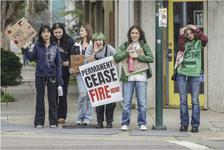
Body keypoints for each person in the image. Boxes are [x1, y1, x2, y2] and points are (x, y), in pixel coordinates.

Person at [113, 25, 154, 131]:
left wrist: (138, 56)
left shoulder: (144, 45)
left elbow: (151, 58)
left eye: (136, 33)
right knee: (126, 102)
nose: (134, 35)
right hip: (128, 78)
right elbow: (116, 58)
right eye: (132, 33)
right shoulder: (125, 45)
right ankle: (125, 123)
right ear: (129, 35)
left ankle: (142, 123)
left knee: (142, 102)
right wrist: (126, 52)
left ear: (140, 34)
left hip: (141, 77)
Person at [25, 25, 63, 128]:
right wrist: (25, 49)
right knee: (39, 99)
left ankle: (53, 122)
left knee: (53, 100)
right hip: (40, 75)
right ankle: (39, 122)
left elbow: (59, 64)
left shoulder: (55, 46)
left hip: (52, 75)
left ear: (50, 34)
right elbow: (31, 58)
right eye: (43, 32)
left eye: (48, 32)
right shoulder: (37, 45)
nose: (46, 34)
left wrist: (60, 81)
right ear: (40, 34)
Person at [176, 24, 208, 133]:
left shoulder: (199, 43)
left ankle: (195, 125)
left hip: (194, 74)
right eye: (187, 34)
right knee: (183, 100)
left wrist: (195, 28)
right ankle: (184, 124)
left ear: (194, 33)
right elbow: (180, 48)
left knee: (195, 101)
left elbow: (205, 39)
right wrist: (181, 35)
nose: (189, 36)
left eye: (191, 33)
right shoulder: (183, 43)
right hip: (182, 73)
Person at [85, 32, 116, 128]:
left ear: (103, 41)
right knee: (99, 101)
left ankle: (109, 121)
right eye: (96, 40)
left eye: (100, 40)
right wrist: (94, 51)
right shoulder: (90, 48)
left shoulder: (110, 49)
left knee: (111, 101)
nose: (98, 42)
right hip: (96, 79)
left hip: (108, 78)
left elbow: (116, 60)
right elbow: (88, 62)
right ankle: (99, 121)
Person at [70, 23, 93, 126]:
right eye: (80, 31)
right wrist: (72, 68)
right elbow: (73, 59)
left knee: (89, 96)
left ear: (88, 32)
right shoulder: (76, 45)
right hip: (80, 73)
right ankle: (80, 117)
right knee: (82, 94)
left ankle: (87, 118)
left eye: (82, 30)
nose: (80, 32)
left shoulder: (93, 44)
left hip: (91, 73)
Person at [52, 23, 75, 124]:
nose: (58, 34)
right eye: (56, 32)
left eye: (60, 32)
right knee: (53, 94)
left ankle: (62, 116)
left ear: (63, 31)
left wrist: (69, 62)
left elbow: (74, 55)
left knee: (63, 93)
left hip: (64, 72)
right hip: (52, 72)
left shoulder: (69, 42)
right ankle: (54, 115)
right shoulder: (50, 42)